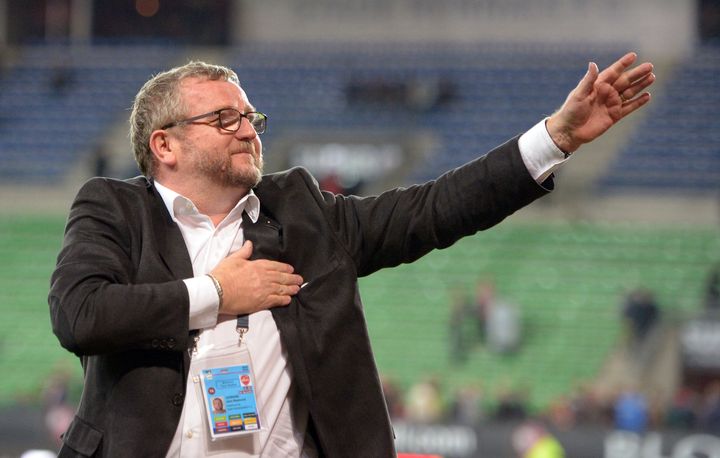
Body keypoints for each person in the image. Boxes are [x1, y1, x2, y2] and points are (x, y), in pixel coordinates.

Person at [48, 52, 655, 457]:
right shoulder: (113, 208)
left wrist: (555, 139)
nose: (248, 129)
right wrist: (217, 295)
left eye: (251, 117)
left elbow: (434, 209)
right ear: (165, 145)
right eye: (224, 117)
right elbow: (81, 316)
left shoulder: (303, 213)